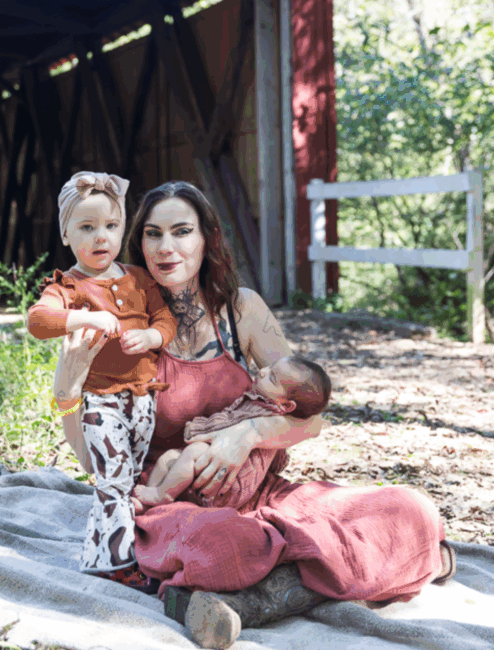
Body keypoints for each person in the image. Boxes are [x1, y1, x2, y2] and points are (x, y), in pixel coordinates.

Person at [52, 180, 454, 649]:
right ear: (137, 242)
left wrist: (248, 434)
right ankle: (348, 571)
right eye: (153, 234)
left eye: (182, 231)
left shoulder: (242, 310)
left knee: (410, 510)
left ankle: (246, 600)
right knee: (222, 544)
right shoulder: (120, 324)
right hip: (168, 500)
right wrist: (67, 389)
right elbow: (93, 459)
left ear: (207, 239)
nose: (166, 247)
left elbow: (311, 415)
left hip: (262, 493)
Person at [27, 171, 177, 590]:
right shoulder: (70, 286)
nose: (101, 237)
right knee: (110, 475)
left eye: (111, 226)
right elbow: (38, 321)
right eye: (87, 227)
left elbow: (165, 319)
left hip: (143, 397)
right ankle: (116, 563)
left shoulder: (138, 279)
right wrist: (87, 316)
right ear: (66, 234)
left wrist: (151, 336)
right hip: (99, 399)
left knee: (127, 477)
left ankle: (111, 553)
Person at [132, 355, 330, 512]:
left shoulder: (263, 411)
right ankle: (152, 500)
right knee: (169, 457)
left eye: (272, 377)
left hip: (228, 484)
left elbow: (224, 426)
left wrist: (197, 430)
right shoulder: (258, 403)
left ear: (286, 405)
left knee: (194, 450)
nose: (262, 371)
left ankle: (162, 496)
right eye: (269, 367)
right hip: (213, 474)